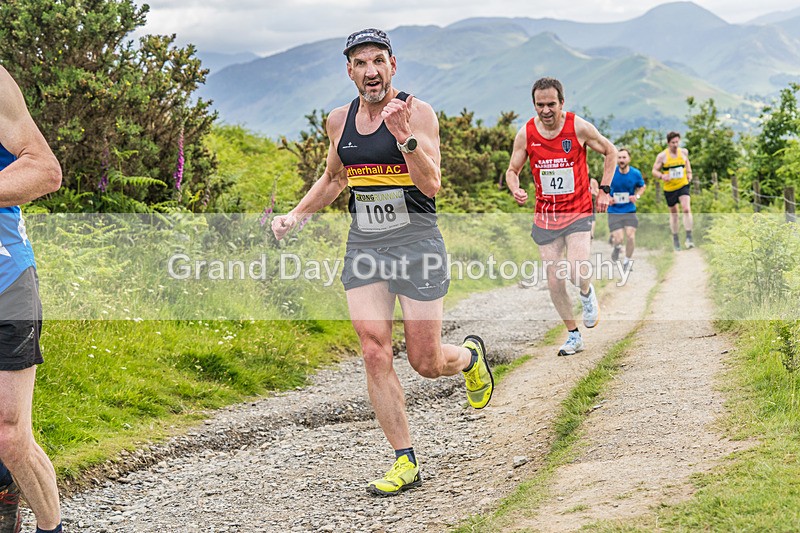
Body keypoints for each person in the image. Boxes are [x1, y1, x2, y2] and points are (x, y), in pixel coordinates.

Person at [271, 29, 493, 497]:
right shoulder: (339, 121)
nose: (370, 71)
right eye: (360, 63)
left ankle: (470, 358)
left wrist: (403, 137)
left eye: (378, 61)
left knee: (426, 361)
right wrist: (296, 215)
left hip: (417, 245)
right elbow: (334, 179)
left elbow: (431, 185)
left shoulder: (418, 112)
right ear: (349, 71)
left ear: (393, 65)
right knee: (374, 350)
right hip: (366, 248)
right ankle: (404, 460)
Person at [506, 77, 617, 356]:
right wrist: (515, 188)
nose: (546, 110)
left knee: (577, 269)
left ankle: (586, 293)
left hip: (578, 210)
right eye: (540, 105)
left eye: (551, 104)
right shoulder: (526, 133)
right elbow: (512, 170)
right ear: (534, 105)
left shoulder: (577, 126)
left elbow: (610, 151)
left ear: (562, 103)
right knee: (554, 280)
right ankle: (573, 335)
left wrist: (604, 190)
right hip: (546, 216)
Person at [0, 66, 63, 533]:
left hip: (5, 279)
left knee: (10, 436)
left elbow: (45, 170)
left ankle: (50, 527)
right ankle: (4, 493)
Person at [652, 131, 694, 251]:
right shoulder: (662, 156)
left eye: (677, 142)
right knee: (674, 215)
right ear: (668, 143)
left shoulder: (684, 152)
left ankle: (689, 237)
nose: (675, 145)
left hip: (683, 184)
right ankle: (676, 239)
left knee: (686, 209)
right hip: (670, 188)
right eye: (672, 143)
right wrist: (662, 176)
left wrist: (689, 173)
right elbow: (654, 171)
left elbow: (687, 163)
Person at [608, 148, 646, 271]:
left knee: (630, 236)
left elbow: (642, 186)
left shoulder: (635, 173)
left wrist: (636, 196)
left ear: (629, 159)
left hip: (629, 209)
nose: (621, 160)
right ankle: (617, 247)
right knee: (619, 238)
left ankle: (627, 261)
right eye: (619, 158)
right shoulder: (611, 172)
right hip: (614, 210)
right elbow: (604, 188)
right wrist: (608, 198)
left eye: (624, 157)